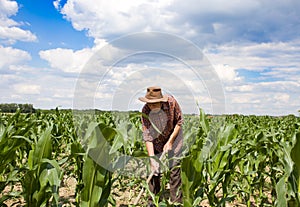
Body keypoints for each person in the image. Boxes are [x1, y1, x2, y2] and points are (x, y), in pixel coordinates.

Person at [139, 86, 183, 206]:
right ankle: (153, 202)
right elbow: (147, 136)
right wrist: (152, 158)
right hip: (156, 141)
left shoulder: (172, 104)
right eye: (149, 104)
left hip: (174, 138)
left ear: (161, 101)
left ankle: (176, 202)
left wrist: (170, 142)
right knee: (154, 171)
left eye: (154, 104)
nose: (151, 106)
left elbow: (179, 122)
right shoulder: (145, 111)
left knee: (174, 170)